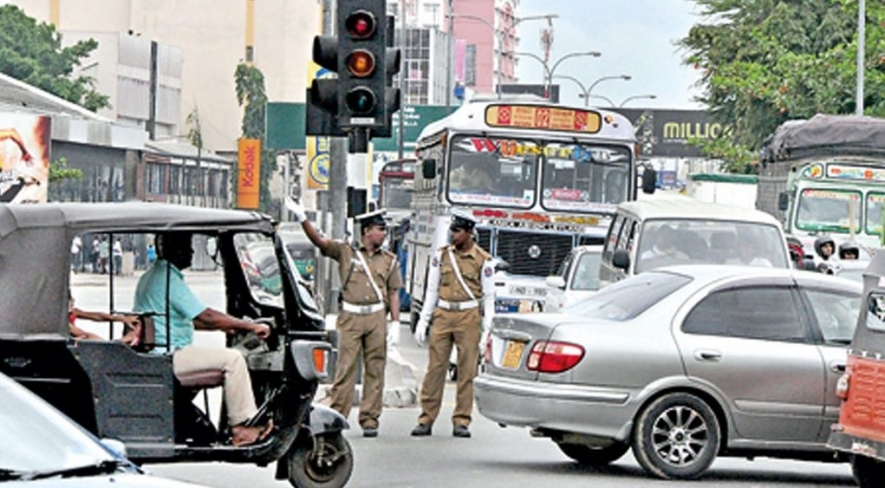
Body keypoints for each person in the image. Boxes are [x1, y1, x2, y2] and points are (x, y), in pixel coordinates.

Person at [134, 232, 273, 447]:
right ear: (171, 249)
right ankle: (241, 429)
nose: (190, 252)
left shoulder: (153, 275)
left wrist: (226, 327)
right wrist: (251, 326)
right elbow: (205, 315)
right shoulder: (167, 278)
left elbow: (184, 319)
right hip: (167, 356)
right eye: (185, 246)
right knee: (233, 360)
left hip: (159, 352)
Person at [288, 199, 402, 438]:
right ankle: (338, 414)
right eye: (380, 229)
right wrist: (302, 218)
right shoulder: (345, 252)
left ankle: (370, 419)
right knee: (345, 368)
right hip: (350, 316)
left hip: (376, 316)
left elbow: (393, 292)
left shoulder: (389, 260)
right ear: (367, 231)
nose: (383, 234)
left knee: (375, 369)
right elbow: (319, 241)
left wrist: (395, 322)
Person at [411, 210, 495, 439]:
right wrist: (424, 319)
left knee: (467, 370)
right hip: (443, 313)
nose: (452, 235)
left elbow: (488, 297)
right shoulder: (442, 256)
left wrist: (487, 329)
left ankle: (461, 420)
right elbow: (432, 288)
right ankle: (426, 418)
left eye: (457, 231)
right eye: (452, 230)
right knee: (435, 369)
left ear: (469, 233)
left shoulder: (483, 261)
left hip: (468, 315)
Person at [68, 291, 142, 344]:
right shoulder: (63, 322)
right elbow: (84, 334)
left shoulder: (73, 312)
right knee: (88, 337)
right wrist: (126, 339)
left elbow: (97, 316)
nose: (73, 300)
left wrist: (122, 319)